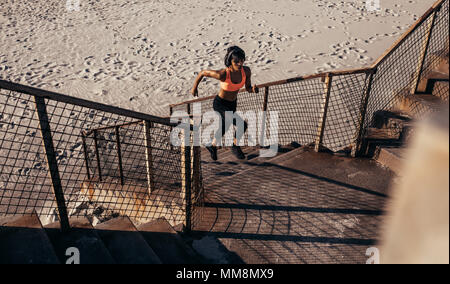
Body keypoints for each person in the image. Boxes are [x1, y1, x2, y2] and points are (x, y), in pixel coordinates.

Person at [191, 46, 259, 160]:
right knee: (242, 124)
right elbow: (203, 73)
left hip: (232, 104)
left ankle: (212, 146)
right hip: (220, 104)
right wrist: (194, 88)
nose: (240, 63)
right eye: (236, 61)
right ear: (230, 61)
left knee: (224, 126)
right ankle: (234, 145)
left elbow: (247, 88)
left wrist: (253, 89)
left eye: (242, 60)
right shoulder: (222, 74)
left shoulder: (246, 71)